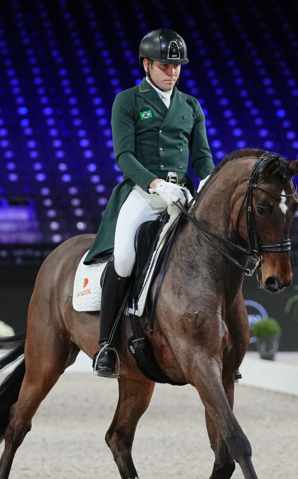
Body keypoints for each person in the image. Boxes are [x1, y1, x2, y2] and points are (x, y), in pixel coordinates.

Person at [84, 28, 215, 378]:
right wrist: (156, 184)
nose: (172, 72)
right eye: (164, 65)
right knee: (125, 257)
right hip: (143, 193)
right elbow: (123, 156)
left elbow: (202, 156)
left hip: (182, 194)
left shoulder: (190, 105)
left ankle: (222, 340)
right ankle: (107, 346)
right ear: (146, 64)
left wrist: (207, 180)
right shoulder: (128, 100)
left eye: (176, 66)